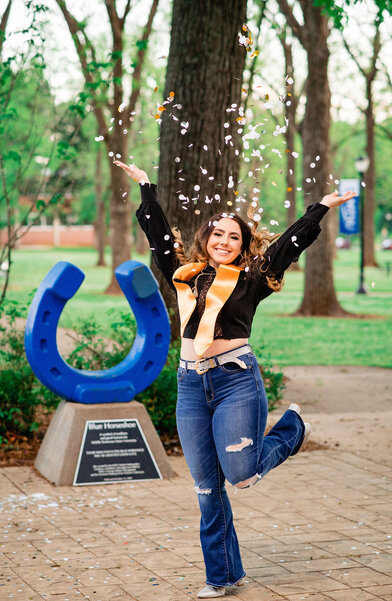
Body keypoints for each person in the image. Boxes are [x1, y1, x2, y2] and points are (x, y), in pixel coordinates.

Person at [115, 160, 355, 599]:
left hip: (235, 381)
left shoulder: (252, 279)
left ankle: (291, 430)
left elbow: (287, 247)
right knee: (208, 489)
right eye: (217, 234)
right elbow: (159, 239)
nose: (225, 241)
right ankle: (224, 576)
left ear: (242, 245)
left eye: (234, 236)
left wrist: (321, 207)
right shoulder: (183, 277)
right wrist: (147, 189)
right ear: (205, 239)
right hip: (190, 385)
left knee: (241, 475)